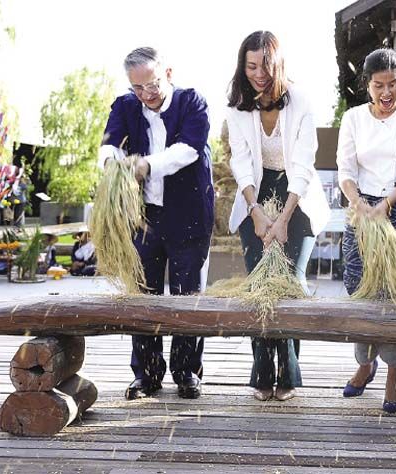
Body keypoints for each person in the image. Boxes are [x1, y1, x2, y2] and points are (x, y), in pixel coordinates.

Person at [99, 47, 214, 400]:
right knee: (142, 295)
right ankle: (147, 375)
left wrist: (146, 165)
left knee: (186, 296)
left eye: (152, 84)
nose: (146, 94)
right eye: (138, 88)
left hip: (189, 216)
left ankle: (186, 373)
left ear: (168, 72)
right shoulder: (125, 105)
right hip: (144, 218)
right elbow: (109, 146)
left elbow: (188, 150)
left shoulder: (192, 102)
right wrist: (113, 165)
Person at [227, 31, 330, 402]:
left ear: (278, 65)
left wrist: (284, 218)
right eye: (251, 66)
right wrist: (255, 211)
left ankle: (288, 374)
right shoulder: (237, 105)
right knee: (259, 283)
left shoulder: (300, 101)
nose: (258, 73)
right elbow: (240, 162)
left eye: (265, 66)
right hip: (256, 192)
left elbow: (302, 166)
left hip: (296, 195)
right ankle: (261, 373)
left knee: (288, 283)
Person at [337, 48, 396, 414]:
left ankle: (393, 371)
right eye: (379, 86)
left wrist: (385, 206)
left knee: (394, 290)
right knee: (359, 285)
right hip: (360, 204)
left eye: (393, 84)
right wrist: (359, 204)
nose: (386, 93)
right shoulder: (354, 118)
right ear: (368, 86)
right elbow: (345, 168)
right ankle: (364, 360)